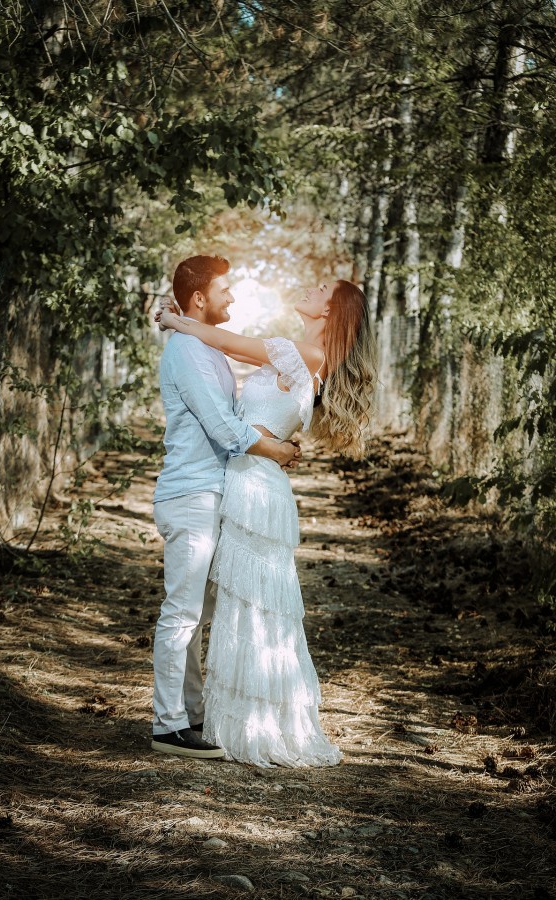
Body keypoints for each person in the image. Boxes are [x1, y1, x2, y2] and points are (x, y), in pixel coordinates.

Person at [157, 277, 377, 767]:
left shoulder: (307, 354)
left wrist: (175, 319)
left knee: (252, 605)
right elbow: (224, 353)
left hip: (254, 485)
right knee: (248, 603)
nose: (310, 288)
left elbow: (226, 341)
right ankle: (233, 716)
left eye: (321, 289)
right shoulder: (304, 357)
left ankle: (247, 721)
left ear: (330, 311)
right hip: (255, 480)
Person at [151, 255, 301, 760]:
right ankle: (167, 725)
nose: (233, 297)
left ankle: (191, 714)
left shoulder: (206, 347)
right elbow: (221, 425)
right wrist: (276, 450)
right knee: (182, 612)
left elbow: (235, 415)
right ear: (199, 298)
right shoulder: (188, 352)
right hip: (190, 493)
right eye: (224, 290)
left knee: (200, 613)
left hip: (213, 492)